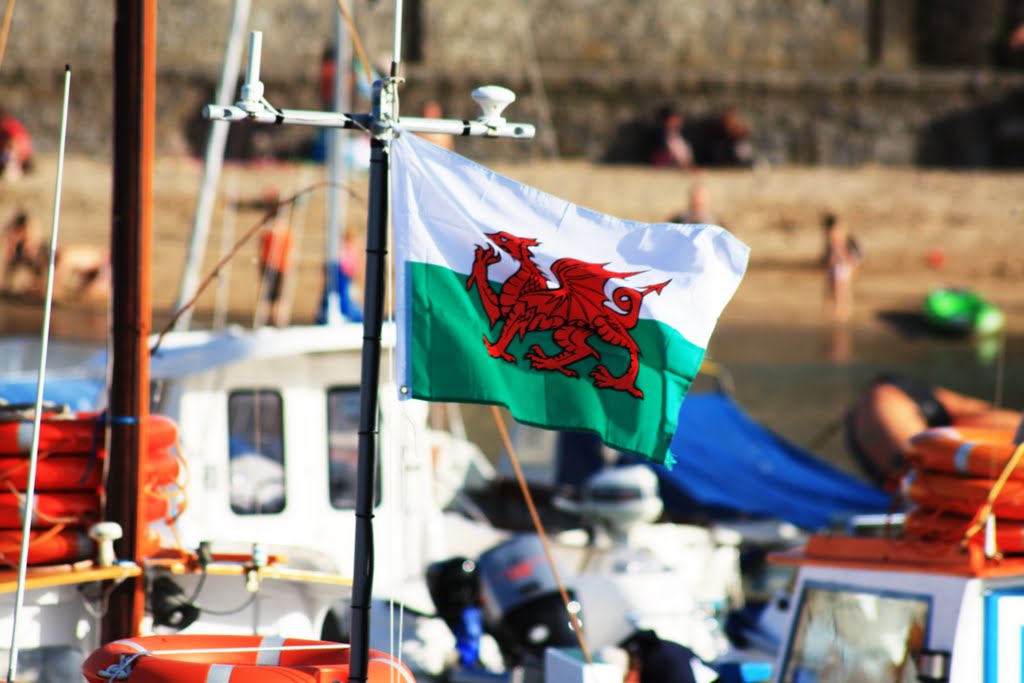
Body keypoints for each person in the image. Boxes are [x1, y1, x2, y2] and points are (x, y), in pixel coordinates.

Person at [256, 194, 294, 325]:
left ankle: (277, 322)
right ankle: (269, 322)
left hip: (279, 265)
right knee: (270, 297)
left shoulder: (279, 230)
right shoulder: (273, 230)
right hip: (270, 265)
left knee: (276, 297)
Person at [821, 211, 861, 322]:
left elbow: (838, 250)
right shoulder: (842, 232)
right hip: (840, 264)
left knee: (839, 288)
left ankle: (840, 311)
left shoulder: (835, 233)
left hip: (840, 264)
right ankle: (840, 311)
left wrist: (839, 259)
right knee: (840, 288)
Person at [2, 210, 42, 293]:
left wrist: (28, 253)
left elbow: (32, 244)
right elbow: (10, 243)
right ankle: (6, 287)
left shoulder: (30, 228)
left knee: (36, 269)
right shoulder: (15, 231)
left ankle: (36, 287)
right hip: (19, 254)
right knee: (9, 268)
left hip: (30, 255)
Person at [649, 105, 695, 170]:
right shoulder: (660, 135)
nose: (680, 121)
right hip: (665, 168)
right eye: (676, 118)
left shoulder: (676, 134)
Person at [0, 109, 33, 180]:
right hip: (22, 153)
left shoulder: (6, 125)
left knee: (8, 155)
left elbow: (12, 142)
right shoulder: (10, 123)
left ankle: (13, 169)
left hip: (17, 153)